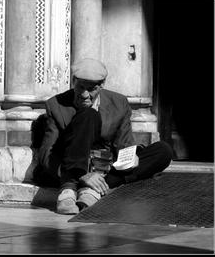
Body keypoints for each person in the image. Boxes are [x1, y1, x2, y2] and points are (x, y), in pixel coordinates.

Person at [34, 58, 173, 215]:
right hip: (70, 168)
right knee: (87, 114)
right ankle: (70, 188)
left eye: (91, 89)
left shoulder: (119, 103)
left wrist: (130, 157)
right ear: (73, 82)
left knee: (163, 150)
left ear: (102, 85)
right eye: (80, 87)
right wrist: (81, 175)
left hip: (104, 167)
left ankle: (96, 188)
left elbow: (124, 144)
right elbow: (47, 154)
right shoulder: (56, 105)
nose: (85, 95)